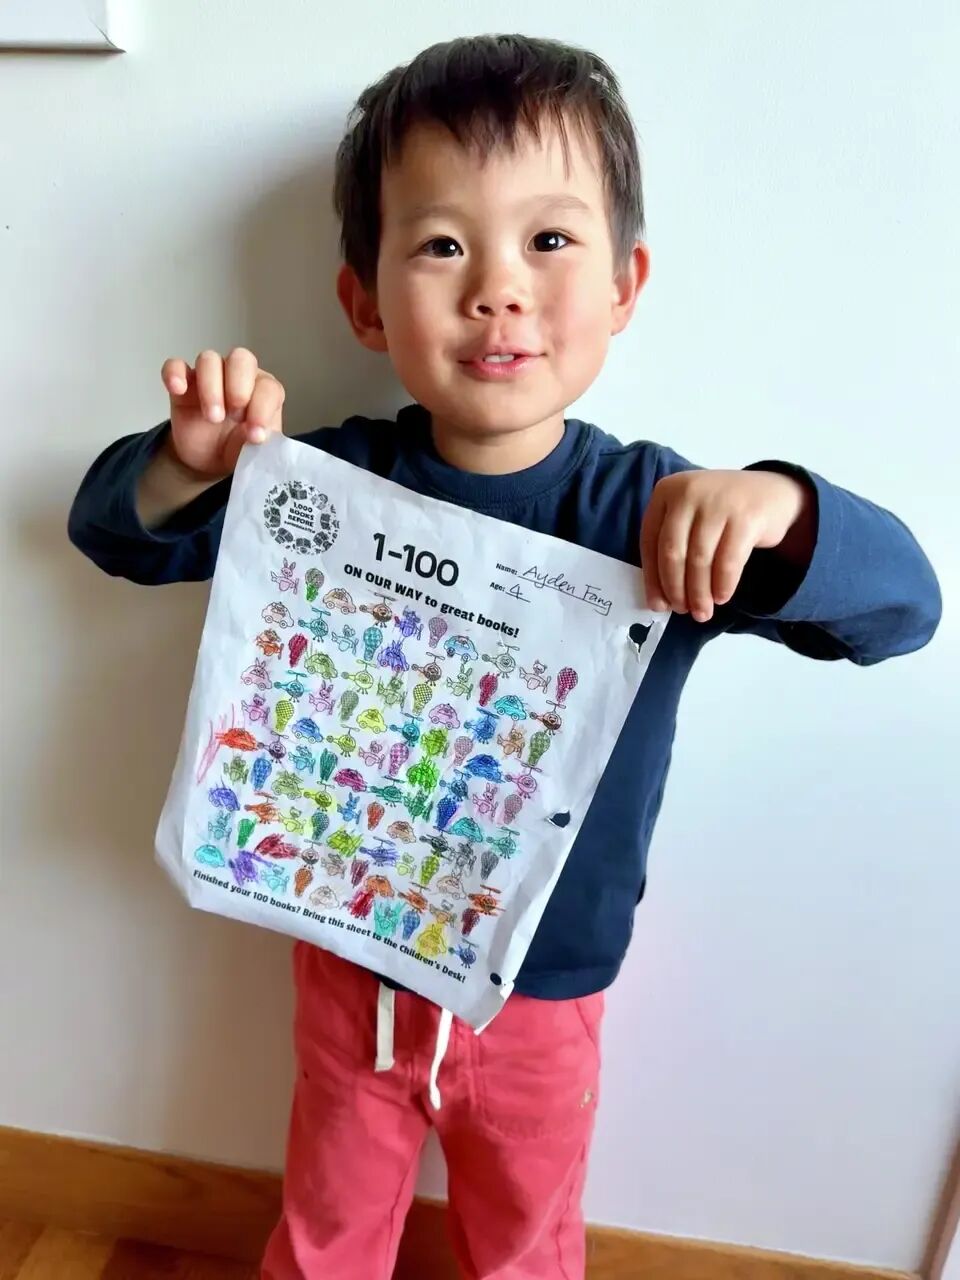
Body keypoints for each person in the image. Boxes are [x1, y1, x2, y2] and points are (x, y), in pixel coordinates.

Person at [67, 33, 941, 1280]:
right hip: (353, 959)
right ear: (365, 301)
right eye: (441, 245)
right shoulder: (332, 482)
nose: (497, 289)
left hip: (545, 988)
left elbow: (903, 611)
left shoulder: (655, 511)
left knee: (526, 1246)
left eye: (549, 238)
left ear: (626, 284)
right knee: (323, 1234)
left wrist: (784, 505)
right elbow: (117, 535)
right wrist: (184, 462)